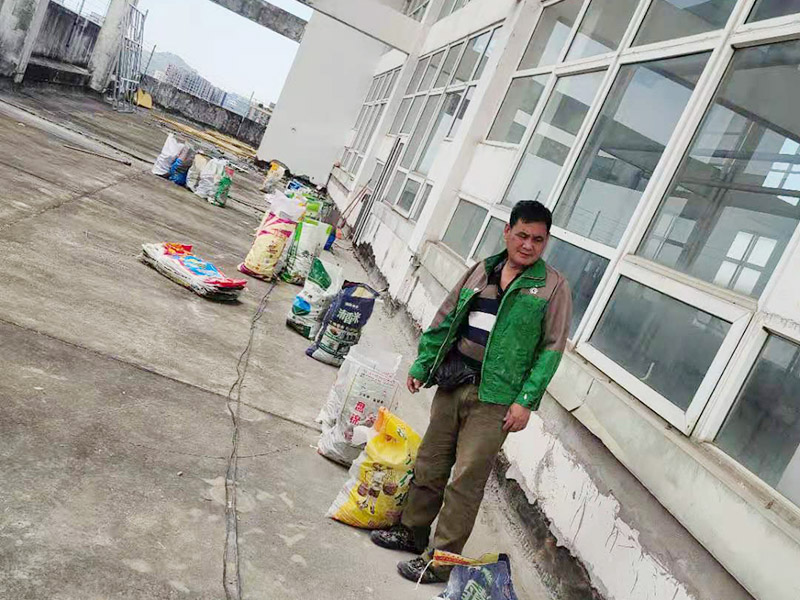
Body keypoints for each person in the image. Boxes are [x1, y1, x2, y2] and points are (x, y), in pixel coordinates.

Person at [370, 200, 572, 583]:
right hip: (454, 380)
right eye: (523, 235)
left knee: (466, 479)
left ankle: (441, 560)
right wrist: (424, 363)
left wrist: (525, 401)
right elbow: (446, 317)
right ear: (507, 232)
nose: (529, 245)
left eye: (539, 240)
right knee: (430, 462)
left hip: (495, 399)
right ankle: (412, 532)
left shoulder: (552, 288)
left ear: (546, 243)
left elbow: (551, 349)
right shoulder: (482, 270)